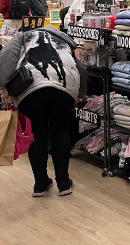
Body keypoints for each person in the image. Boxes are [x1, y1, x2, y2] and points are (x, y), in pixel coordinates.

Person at [0, 27, 81, 197]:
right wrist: (81, 93)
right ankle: (64, 183)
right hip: (64, 85)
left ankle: (40, 183)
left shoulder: (22, 36)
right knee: (60, 132)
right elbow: (81, 69)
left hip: (31, 86)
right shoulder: (64, 40)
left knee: (37, 134)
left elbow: (6, 57)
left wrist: (4, 86)